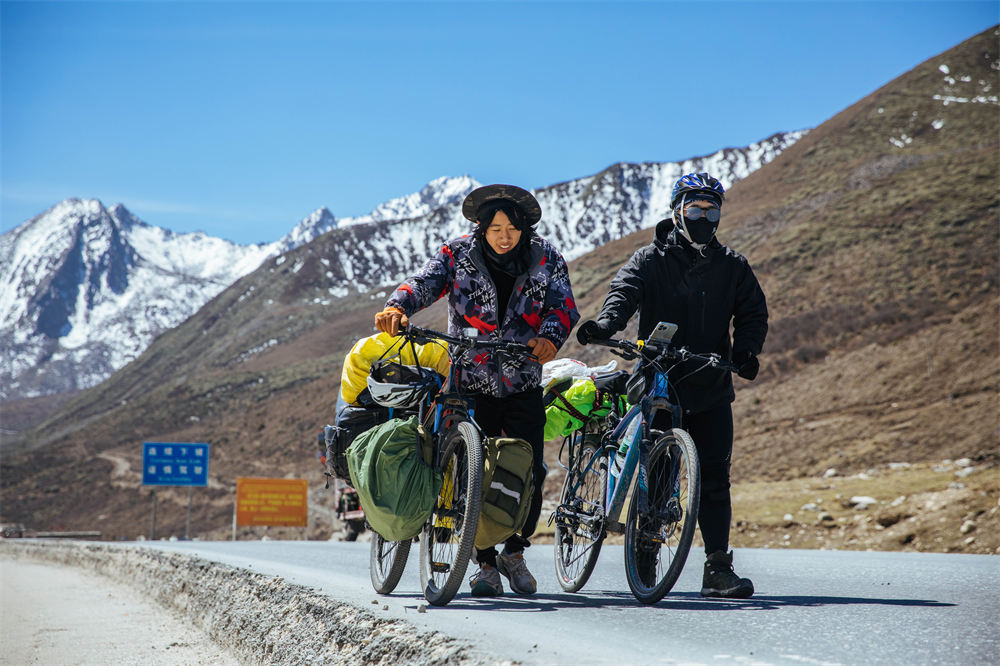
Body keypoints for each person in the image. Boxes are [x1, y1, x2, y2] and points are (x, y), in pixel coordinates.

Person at [374, 184, 579, 597]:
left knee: (529, 473)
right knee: (474, 474)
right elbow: (425, 282)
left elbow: (563, 306)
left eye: (512, 229)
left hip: (522, 378)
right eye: (496, 228)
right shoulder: (456, 254)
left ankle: (515, 552)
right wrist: (399, 305)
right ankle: (484, 563)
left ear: (524, 228)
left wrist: (550, 339)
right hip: (469, 379)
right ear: (481, 228)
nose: (505, 237)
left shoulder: (547, 258)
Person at [576, 172, 767, 599]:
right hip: (659, 382)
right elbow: (623, 293)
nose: (704, 217)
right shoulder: (649, 259)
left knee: (715, 478)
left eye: (711, 210)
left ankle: (717, 568)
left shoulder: (733, 266)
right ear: (677, 211)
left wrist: (747, 351)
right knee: (658, 473)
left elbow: (753, 312)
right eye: (695, 209)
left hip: (710, 383)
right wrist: (606, 324)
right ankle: (645, 557)